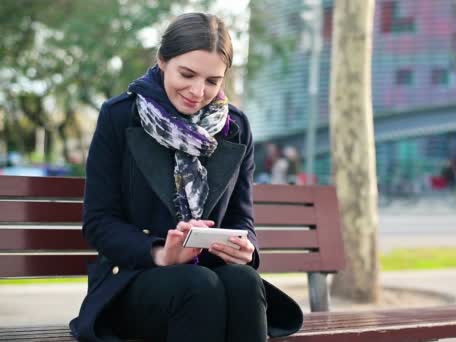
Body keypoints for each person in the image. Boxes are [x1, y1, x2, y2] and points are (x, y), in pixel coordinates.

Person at [69, 13, 302, 342]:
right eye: (187, 74)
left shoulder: (235, 129)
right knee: (197, 285)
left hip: (212, 278)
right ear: (163, 61)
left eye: (212, 81)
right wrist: (161, 253)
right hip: (136, 280)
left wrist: (245, 249)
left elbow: (241, 217)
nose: (197, 91)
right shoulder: (120, 117)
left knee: (245, 280)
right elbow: (99, 221)